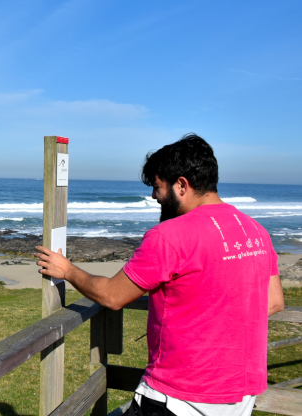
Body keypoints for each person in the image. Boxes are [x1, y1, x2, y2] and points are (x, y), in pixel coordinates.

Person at [34, 134, 284, 416]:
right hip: (240, 395)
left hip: (178, 396)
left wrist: (67, 270)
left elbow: (112, 296)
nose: (154, 197)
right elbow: (273, 301)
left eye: (157, 187)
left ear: (181, 185)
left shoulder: (170, 236)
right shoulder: (255, 231)